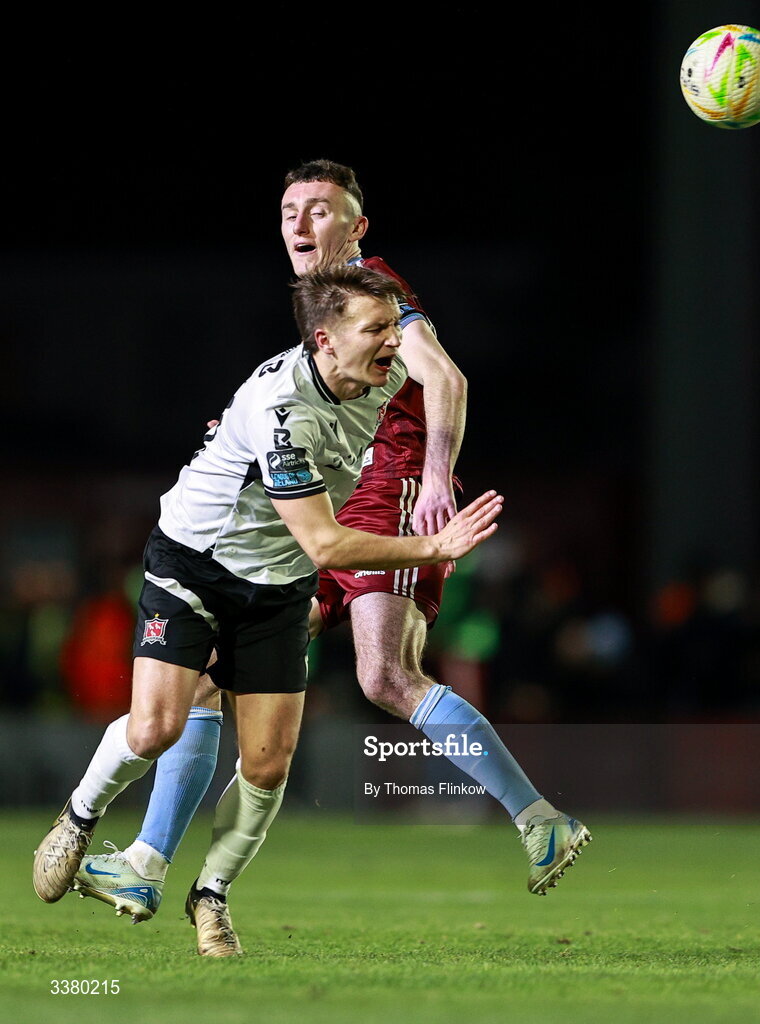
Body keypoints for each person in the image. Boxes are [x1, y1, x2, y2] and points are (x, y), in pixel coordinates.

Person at [67, 160, 591, 945]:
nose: (303, 225)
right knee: (211, 680)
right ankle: (151, 861)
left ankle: (540, 818)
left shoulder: (378, 291)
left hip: (390, 492)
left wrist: (437, 474)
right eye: (290, 211)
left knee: (385, 676)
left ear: (357, 229)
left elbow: (443, 376)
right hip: (328, 506)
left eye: (322, 210)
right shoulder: (326, 313)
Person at [33, 265, 505, 958]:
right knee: (157, 725)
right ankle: (77, 819)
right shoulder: (285, 412)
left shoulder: (380, 378)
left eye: (392, 331)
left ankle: (212, 895)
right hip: (197, 567)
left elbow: (447, 383)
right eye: (375, 331)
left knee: (268, 761)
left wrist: (436, 466)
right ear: (325, 341)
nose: (391, 344)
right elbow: (324, 540)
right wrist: (436, 542)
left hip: (278, 585)